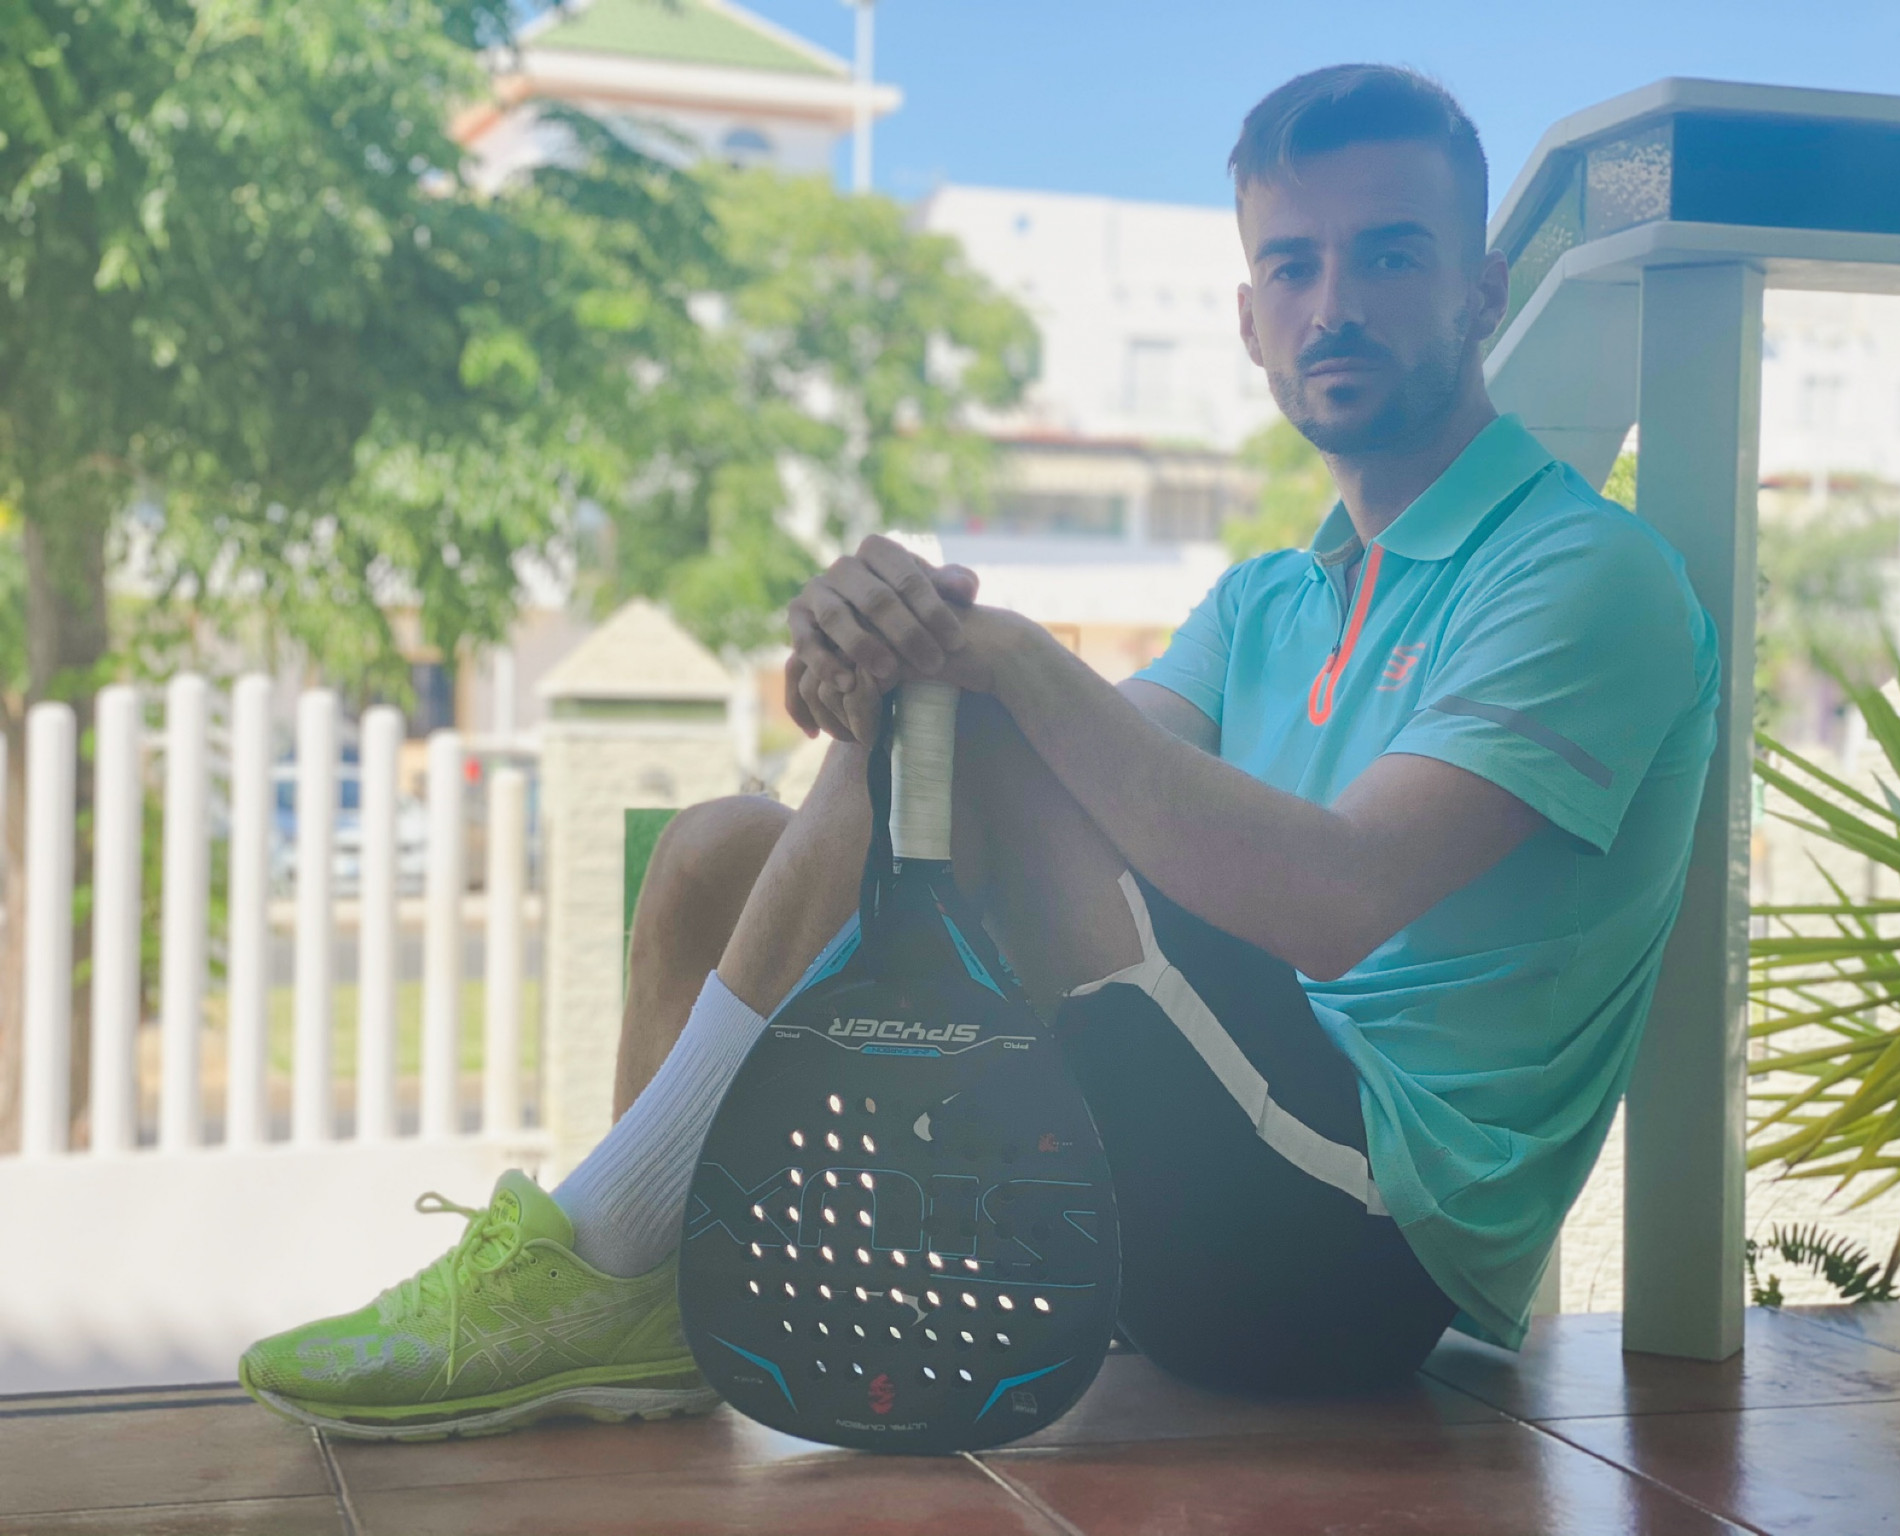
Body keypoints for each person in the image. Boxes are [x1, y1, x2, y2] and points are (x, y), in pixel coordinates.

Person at [238, 64, 1717, 1440]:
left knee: (975, 712)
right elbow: (1057, 793)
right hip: (1187, 1161)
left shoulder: (1586, 572)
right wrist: (869, 670)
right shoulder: (1273, 596)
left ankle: (605, 1252)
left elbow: (1336, 900)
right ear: (1250, 316)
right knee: (716, 851)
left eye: (1389, 256)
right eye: (1294, 266)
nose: (1335, 304)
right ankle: (652, 1298)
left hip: (1355, 1255)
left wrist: (981, 656)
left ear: (1480, 291)